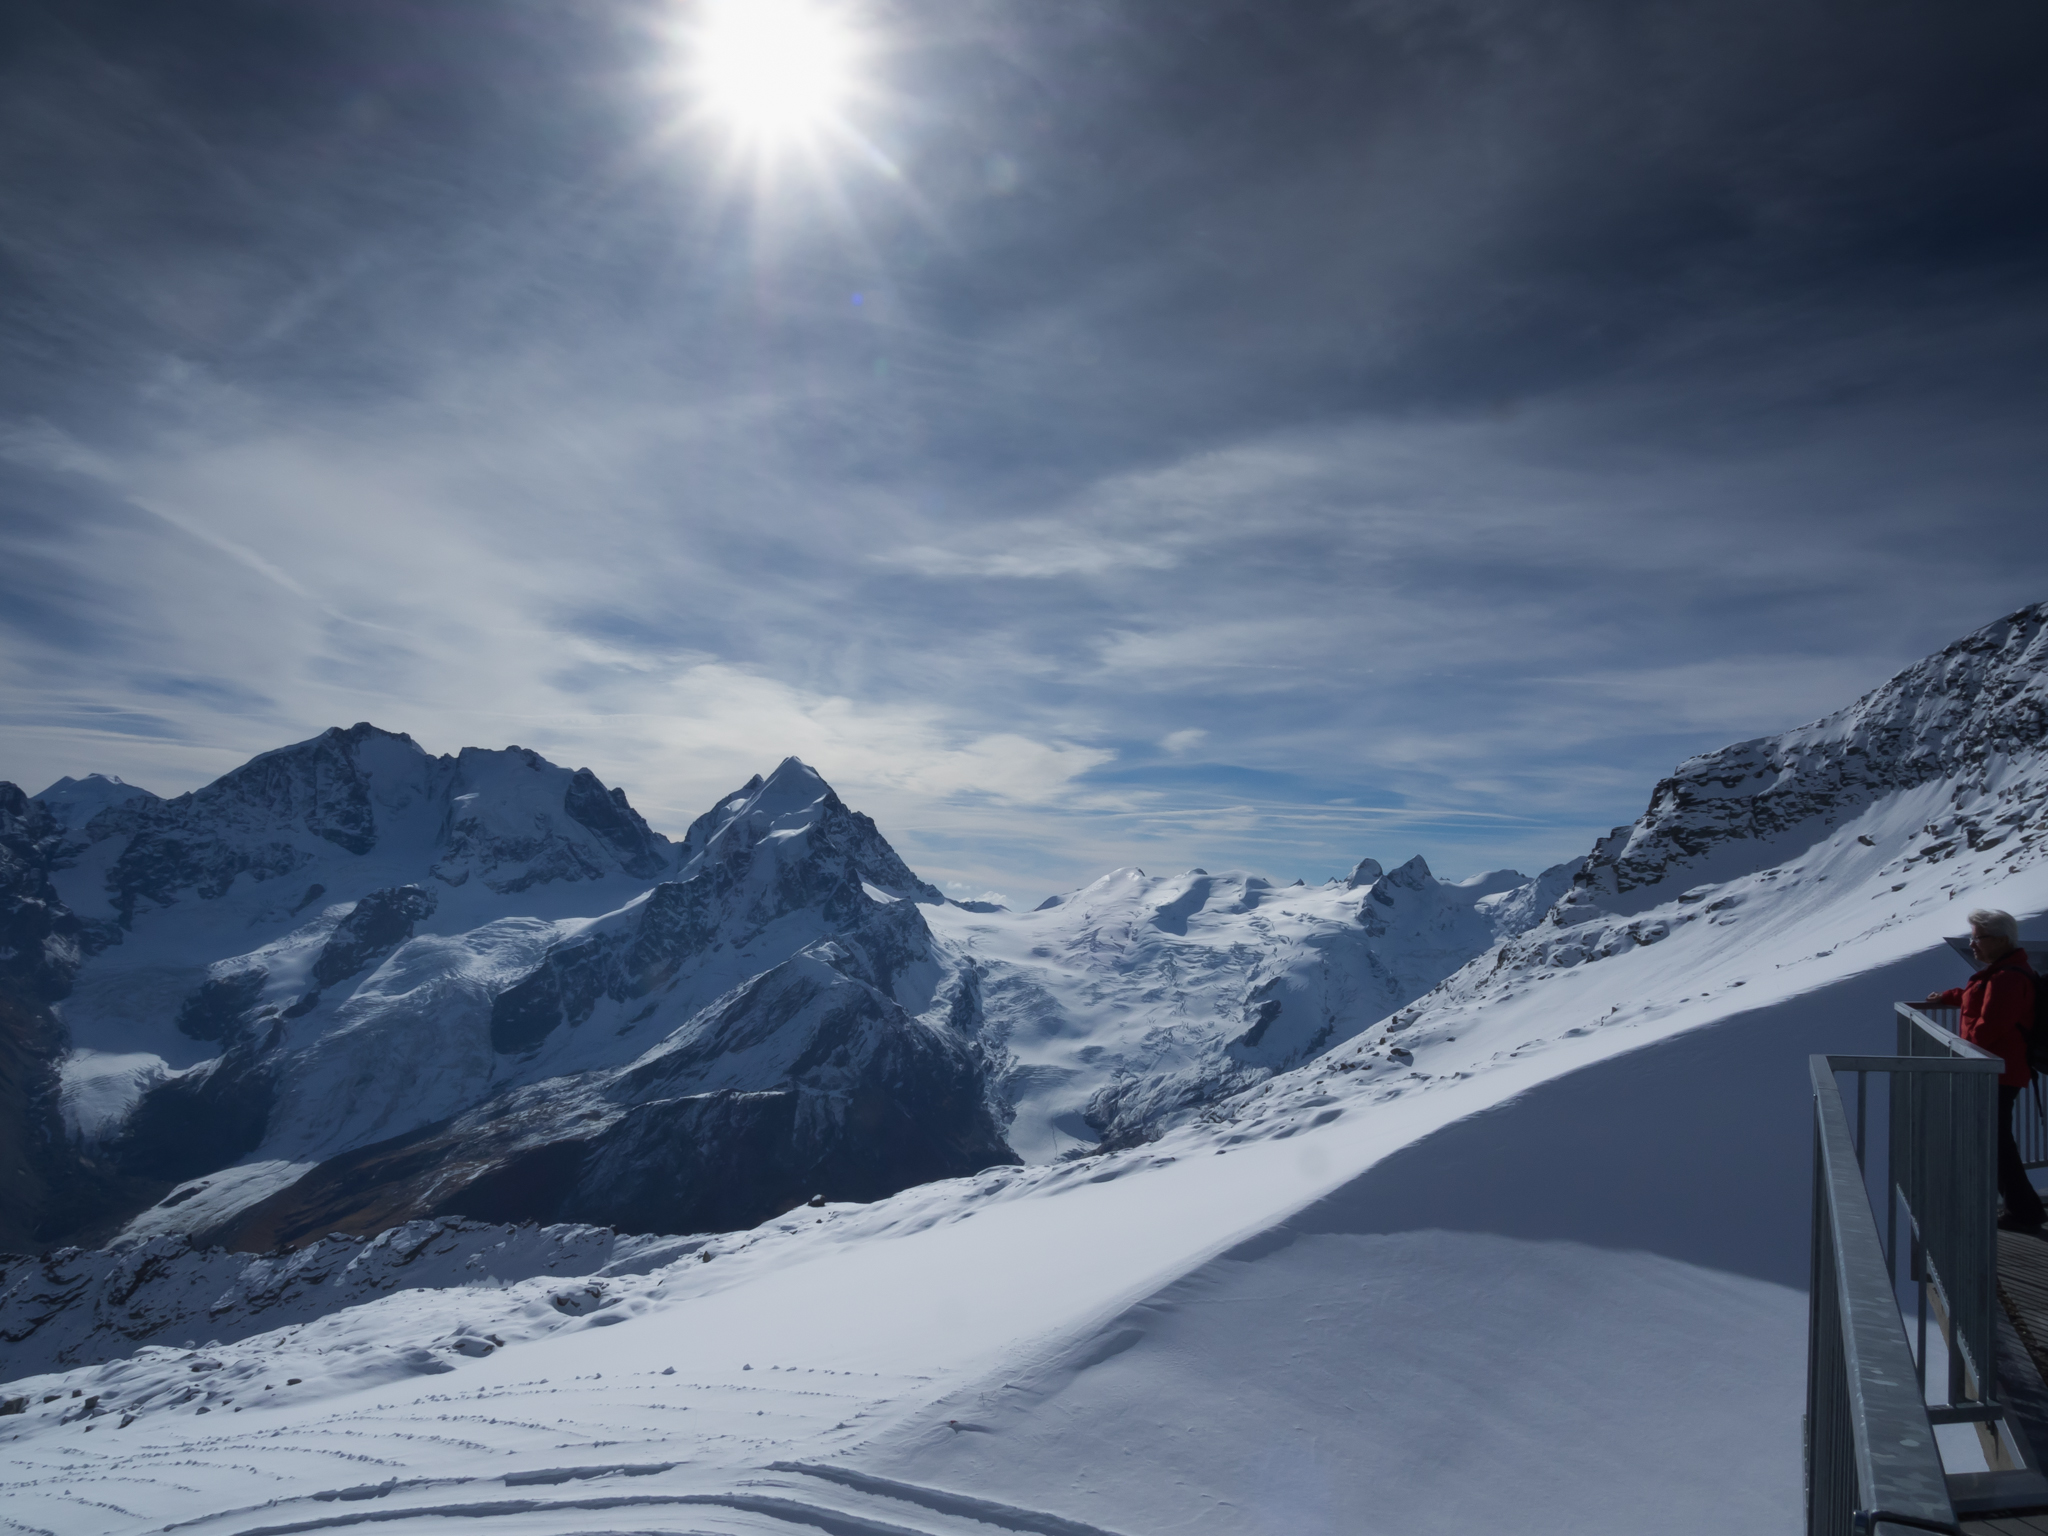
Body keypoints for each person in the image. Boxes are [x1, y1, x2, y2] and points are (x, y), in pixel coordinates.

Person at [1925, 908, 2045, 1234]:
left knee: (1995, 1143)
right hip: (2001, 1070)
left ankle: (2024, 1212)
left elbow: (1987, 1028)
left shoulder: (2007, 978)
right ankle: (2026, 1208)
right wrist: (1949, 997)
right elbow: (1977, 997)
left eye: (1977, 938)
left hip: (1997, 1072)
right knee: (1997, 1141)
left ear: (2001, 940)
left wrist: (1960, 1051)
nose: (1972, 944)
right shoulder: (2005, 972)